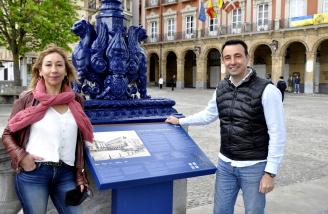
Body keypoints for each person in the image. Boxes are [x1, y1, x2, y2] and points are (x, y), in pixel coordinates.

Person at [166, 40, 286, 214]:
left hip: (254, 166)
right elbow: (208, 115)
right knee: (221, 211)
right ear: (223, 60)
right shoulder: (221, 87)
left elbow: (277, 133)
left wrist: (270, 173)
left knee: (254, 211)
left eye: (238, 56)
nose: (232, 62)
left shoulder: (267, 90)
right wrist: (181, 121)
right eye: (227, 57)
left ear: (247, 57)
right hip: (225, 164)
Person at [2, 45, 94, 214]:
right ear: (40, 70)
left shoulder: (76, 101)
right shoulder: (27, 99)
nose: (54, 70)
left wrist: (80, 174)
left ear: (66, 71)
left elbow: (79, 141)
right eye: (48, 65)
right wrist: (22, 157)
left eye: (59, 65)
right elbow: (8, 133)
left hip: (66, 173)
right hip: (34, 173)